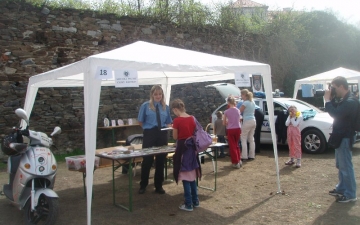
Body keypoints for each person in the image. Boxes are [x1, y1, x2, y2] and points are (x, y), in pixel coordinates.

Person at [324, 76, 357, 203]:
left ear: (342, 86)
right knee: (340, 165)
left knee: (346, 166)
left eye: (334, 87)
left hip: (345, 136)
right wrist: (330, 100)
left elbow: (336, 113)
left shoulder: (351, 101)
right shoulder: (345, 99)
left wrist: (327, 101)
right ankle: (342, 188)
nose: (333, 90)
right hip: (340, 136)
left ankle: (350, 194)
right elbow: (336, 110)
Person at [137, 85, 173, 194]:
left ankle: (159, 185)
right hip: (150, 133)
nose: (158, 96)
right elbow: (140, 120)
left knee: (161, 160)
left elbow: (168, 121)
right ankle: (143, 185)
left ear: (162, 95)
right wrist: (147, 129)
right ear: (152, 94)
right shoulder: (145, 106)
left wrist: (170, 126)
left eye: (160, 94)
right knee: (147, 159)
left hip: (162, 134)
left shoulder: (165, 107)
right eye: (156, 94)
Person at [171, 99, 202, 212]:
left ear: (175, 109)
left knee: (185, 178)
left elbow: (175, 137)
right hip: (192, 150)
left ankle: (188, 204)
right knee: (192, 178)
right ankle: (196, 201)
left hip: (183, 151)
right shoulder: (192, 118)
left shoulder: (177, 120)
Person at [223, 95, 242, 168]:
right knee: (237, 144)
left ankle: (235, 161)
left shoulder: (226, 112)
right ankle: (239, 159)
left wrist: (228, 122)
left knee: (232, 146)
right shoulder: (238, 110)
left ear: (228, 102)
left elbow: (224, 123)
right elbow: (239, 119)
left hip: (230, 129)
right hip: (238, 128)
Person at [239, 89, 256, 161]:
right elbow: (254, 112)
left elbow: (239, 111)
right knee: (251, 139)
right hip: (253, 120)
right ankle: (252, 155)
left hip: (247, 121)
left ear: (244, 95)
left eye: (241, 95)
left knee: (243, 138)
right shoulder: (253, 102)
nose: (241, 96)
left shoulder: (245, 103)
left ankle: (244, 156)